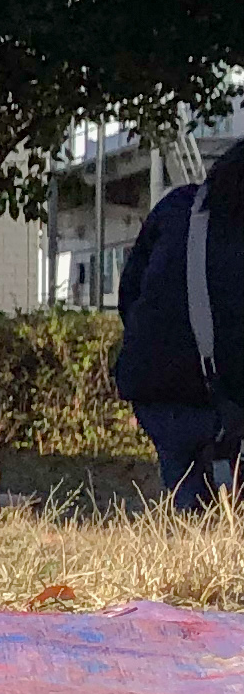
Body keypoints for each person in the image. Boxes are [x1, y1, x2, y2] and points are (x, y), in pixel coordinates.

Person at [113, 146, 244, 511]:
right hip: (229, 391)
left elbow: (130, 296)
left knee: (188, 503)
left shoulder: (177, 209)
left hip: (158, 386)